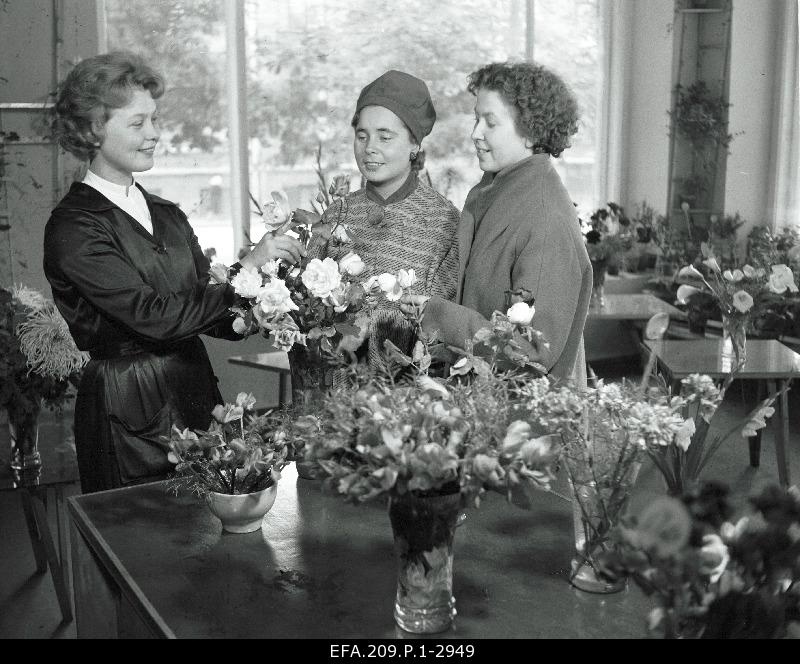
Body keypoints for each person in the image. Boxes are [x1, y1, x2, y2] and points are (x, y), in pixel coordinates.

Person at [44, 52, 305, 493]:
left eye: (155, 120)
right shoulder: (75, 225)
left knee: (209, 540)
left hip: (195, 392)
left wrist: (267, 299)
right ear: (92, 130)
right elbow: (156, 317)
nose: (154, 135)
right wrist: (249, 266)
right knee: (140, 545)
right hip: (127, 409)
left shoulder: (166, 215)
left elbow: (211, 311)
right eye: (137, 123)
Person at [400, 61, 592, 386]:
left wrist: (441, 317)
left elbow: (529, 351)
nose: (476, 133)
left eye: (490, 122)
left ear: (532, 132)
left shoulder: (544, 218)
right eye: (477, 119)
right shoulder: (500, 188)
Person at [302, 69, 459, 372]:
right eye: (362, 136)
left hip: (407, 398)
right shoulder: (336, 215)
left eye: (385, 137)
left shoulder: (445, 223)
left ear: (415, 145)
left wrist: (373, 323)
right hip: (334, 390)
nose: (369, 147)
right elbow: (308, 311)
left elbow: (439, 326)